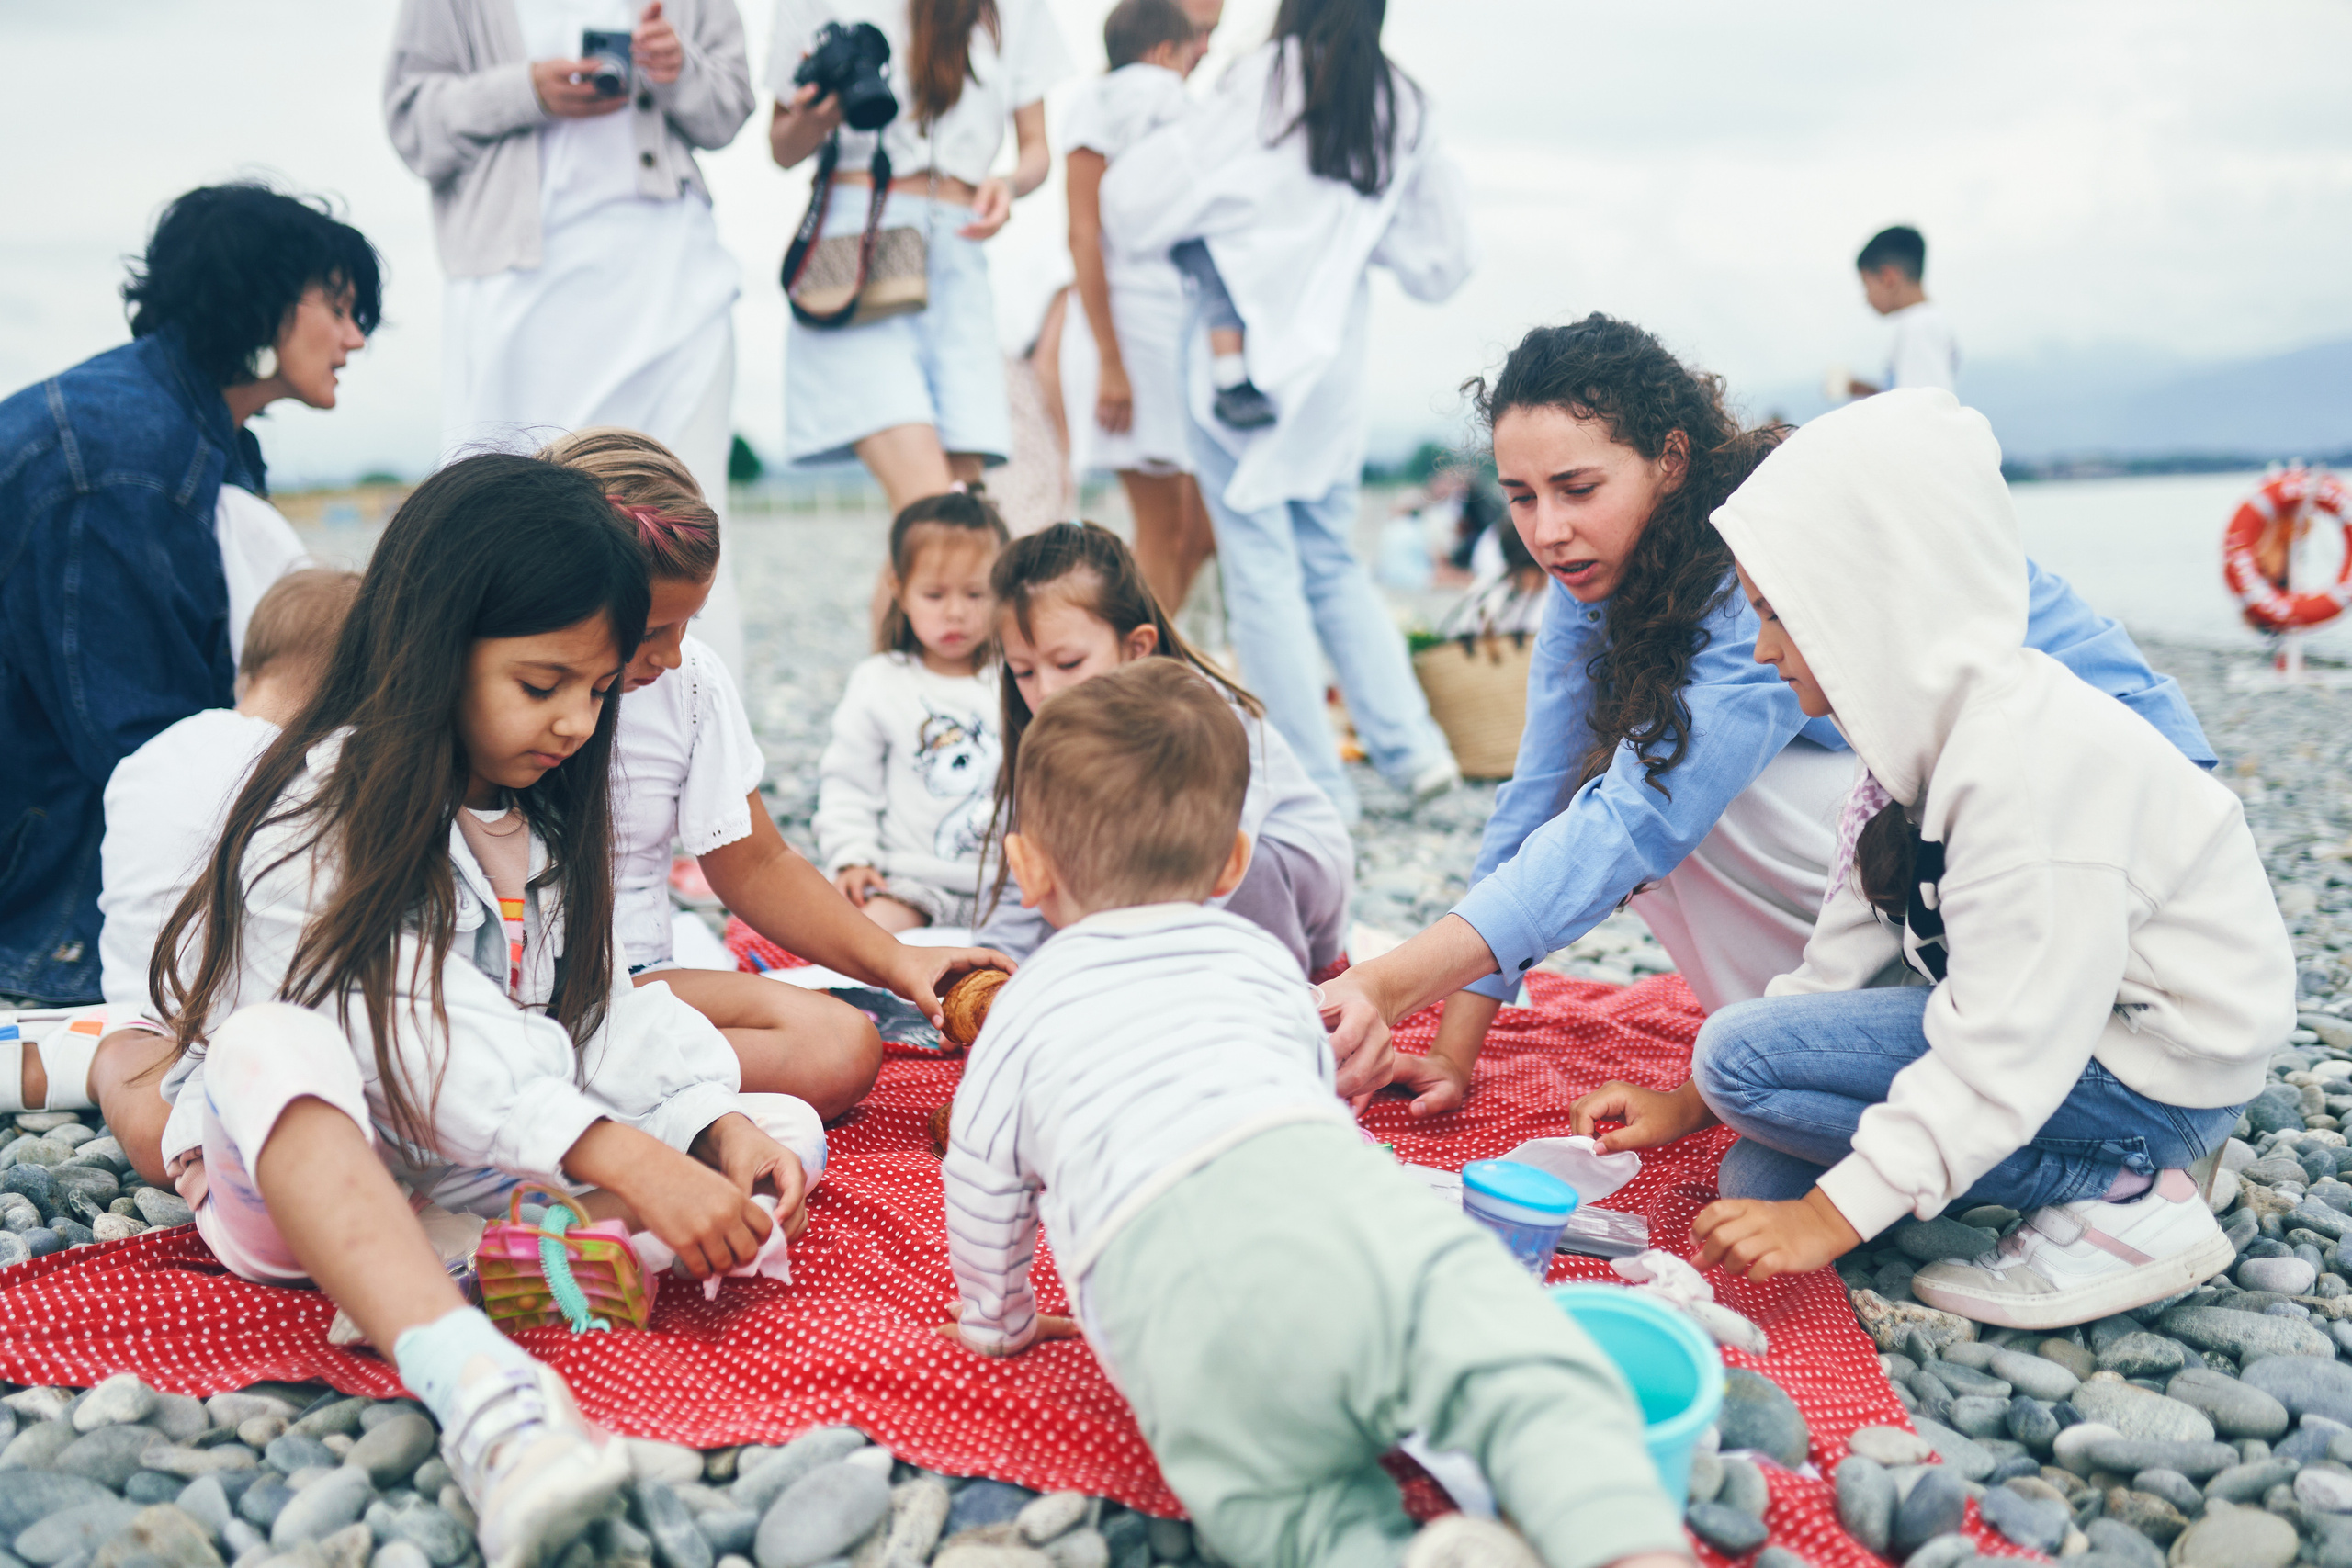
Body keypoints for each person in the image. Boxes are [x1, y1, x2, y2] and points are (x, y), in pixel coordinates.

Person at [152, 455, 823, 1566]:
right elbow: (408, 1018)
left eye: (597, 691)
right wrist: (625, 1153)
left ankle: (469, 1256)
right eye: (541, 682)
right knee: (273, 1044)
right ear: (434, 647)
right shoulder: (315, 813)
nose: (574, 721)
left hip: (472, 1170)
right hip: (307, 1177)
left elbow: (593, 1008)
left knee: (779, 1135)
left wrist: (710, 1124)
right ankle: (486, 1399)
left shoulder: (538, 826)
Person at [1317, 317, 2219, 1117]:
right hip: (1979, 825)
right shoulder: (1589, 579)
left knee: (1663, 789)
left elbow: (1640, 817)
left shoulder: (1764, 554)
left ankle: (2016, 1052)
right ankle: (1826, 1034)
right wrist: (1452, 1046)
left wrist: (1385, 983)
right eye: (1520, 497)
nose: (1545, 530)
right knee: (1627, 788)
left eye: (1576, 488)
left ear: (1670, 461)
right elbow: (1535, 799)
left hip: (2129, 841)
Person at [939, 660, 1690, 1568]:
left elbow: (981, 1185)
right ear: (1231, 864)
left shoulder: (1022, 1008)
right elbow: (1312, 1095)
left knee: (1290, 1509)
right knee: (1516, 1369)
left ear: (1026, 867)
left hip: (1175, 1300)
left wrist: (999, 1321)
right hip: (1347, 1217)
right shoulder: (1262, 965)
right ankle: (1623, 1540)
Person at [1569, 389, 2292, 1328]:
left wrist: (1830, 1219)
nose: (1761, 648)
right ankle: (1999, 1168)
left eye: (1780, 617)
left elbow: (2007, 1043)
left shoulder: (2026, 764)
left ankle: (2125, 1191)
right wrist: (1686, 1106)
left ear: (1864, 607)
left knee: (1744, 1067)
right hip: (2072, 1035)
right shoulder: (1913, 747)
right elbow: (1837, 963)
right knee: (1753, 1156)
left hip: (2151, 1073)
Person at [0, 183, 378, 1010]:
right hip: (39, 896)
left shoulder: (190, 432)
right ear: (263, 294)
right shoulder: (122, 459)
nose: (355, 337)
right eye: (339, 306)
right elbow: (136, 742)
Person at [545, 430, 997, 1117]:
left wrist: (900, 963)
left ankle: (561, 1093)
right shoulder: (509, 685)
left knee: (843, 1045)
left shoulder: (690, 682)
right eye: (648, 632)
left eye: (687, 625)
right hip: (513, 988)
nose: (670, 655)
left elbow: (754, 864)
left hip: (636, 980)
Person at [1101, 0, 1473, 819]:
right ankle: (1417, 757)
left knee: (1260, 564)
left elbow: (1139, 205)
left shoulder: (1260, 81)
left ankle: (1313, 784)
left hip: (1236, 360)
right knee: (1330, 558)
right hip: (1330, 364)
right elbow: (1440, 262)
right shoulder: (1400, 101)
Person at [384, 0, 755, 675]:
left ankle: (707, 761)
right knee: (505, 524)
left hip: (671, 271)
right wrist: (525, 90)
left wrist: (677, 71)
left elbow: (731, 104)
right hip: (516, 285)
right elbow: (411, 122)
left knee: (692, 522)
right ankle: (498, 753)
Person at [41, 570, 362, 1180]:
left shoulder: (146, 758)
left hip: (132, 1009)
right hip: (248, 1036)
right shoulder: (325, 769)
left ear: (246, 670)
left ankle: (58, 1062)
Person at [972, 523, 1351, 977]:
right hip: (1143, 888)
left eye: (1068, 663)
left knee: (1250, 866)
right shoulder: (1046, 736)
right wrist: (991, 962)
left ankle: (1265, 981)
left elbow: (1210, 865)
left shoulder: (1197, 717)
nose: (1047, 690)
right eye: (1023, 672)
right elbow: (1028, 866)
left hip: (1265, 883)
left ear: (1137, 648)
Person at [764, 0, 1073, 521]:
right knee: (935, 512)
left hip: (960, 249)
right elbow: (781, 145)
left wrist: (1009, 183)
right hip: (859, 245)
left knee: (959, 512)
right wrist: (819, 115)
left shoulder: (1017, 9)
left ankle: (911, 603)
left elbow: (1038, 149)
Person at [1059, 0, 1220, 612]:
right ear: (1163, 52)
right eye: (1191, 47)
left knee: (1177, 527)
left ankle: (1147, 660)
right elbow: (1085, 234)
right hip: (1142, 327)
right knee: (1169, 528)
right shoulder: (1172, 105)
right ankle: (1139, 673)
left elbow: (1080, 233)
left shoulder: (1095, 103)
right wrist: (1112, 360)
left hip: (1140, 327)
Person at [819, 491, 1010, 931]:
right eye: (935, 594)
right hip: (911, 882)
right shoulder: (881, 681)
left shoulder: (1016, 678)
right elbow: (849, 782)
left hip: (1009, 889)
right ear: (900, 591)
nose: (956, 613)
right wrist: (852, 856)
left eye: (976, 593)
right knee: (862, 940)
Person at [1844, 225, 1957, 398]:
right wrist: (1873, 392)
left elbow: (1922, 408)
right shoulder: (1927, 321)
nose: (1866, 298)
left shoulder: (1918, 326)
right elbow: (1916, 396)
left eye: (1866, 285)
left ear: (1887, 278)